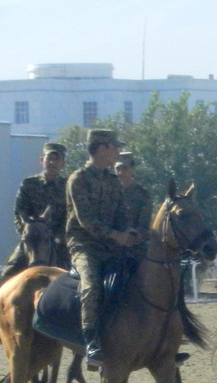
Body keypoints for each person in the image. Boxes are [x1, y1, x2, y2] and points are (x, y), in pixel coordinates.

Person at [66, 129, 140, 368]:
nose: (118, 152)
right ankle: (91, 342)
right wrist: (115, 235)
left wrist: (129, 232)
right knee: (91, 284)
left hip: (112, 245)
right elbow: (85, 220)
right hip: (85, 245)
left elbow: (120, 214)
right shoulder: (78, 179)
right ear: (101, 149)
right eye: (114, 147)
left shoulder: (111, 181)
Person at [0, 142, 71, 278]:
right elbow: (18, 212)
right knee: (8, 273)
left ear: (63, 164)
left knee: (75, 277)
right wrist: (26, 232)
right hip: (32, 239)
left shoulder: (67, 186)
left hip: (59, 241)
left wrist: (57, 236)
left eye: (57, 159)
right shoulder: (29, 183)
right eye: (49, 158)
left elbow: (71, 215)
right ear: (42, 160)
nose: (52, 162)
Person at [113, 151, 152, 262]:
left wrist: (134, 236)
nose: (120, 173)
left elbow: (144, 225)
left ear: (132, 169)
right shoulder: (107, 192)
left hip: (136, 246)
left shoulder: (143, 194)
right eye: (117, 169)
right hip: (110, 245)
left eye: (124, 169)